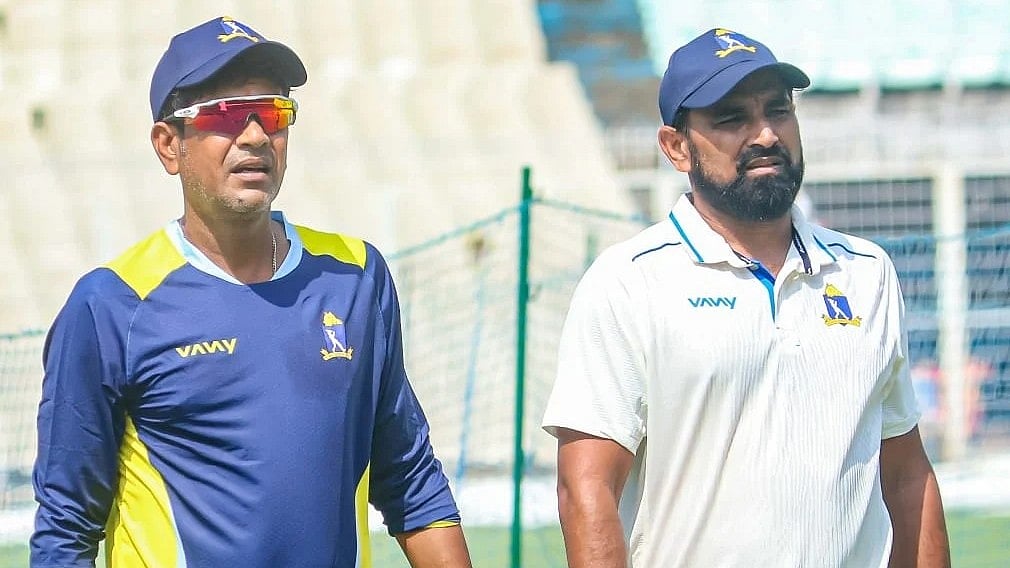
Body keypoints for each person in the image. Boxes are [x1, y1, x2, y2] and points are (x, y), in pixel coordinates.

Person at [31, 16, 471, 568]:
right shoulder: (112, 303)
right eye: (226, 114)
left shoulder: (355, 276)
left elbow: (409, 477)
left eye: (272, 113)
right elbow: (65, 525)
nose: (257, 135)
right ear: (169, 146)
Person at [542, 28, 950, 567]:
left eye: (777, 110)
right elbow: (585, 488)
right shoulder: (627, 282)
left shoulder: (867, 272)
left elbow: (905, 474)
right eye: (732, 118)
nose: (764, 134)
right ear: (676, 147)